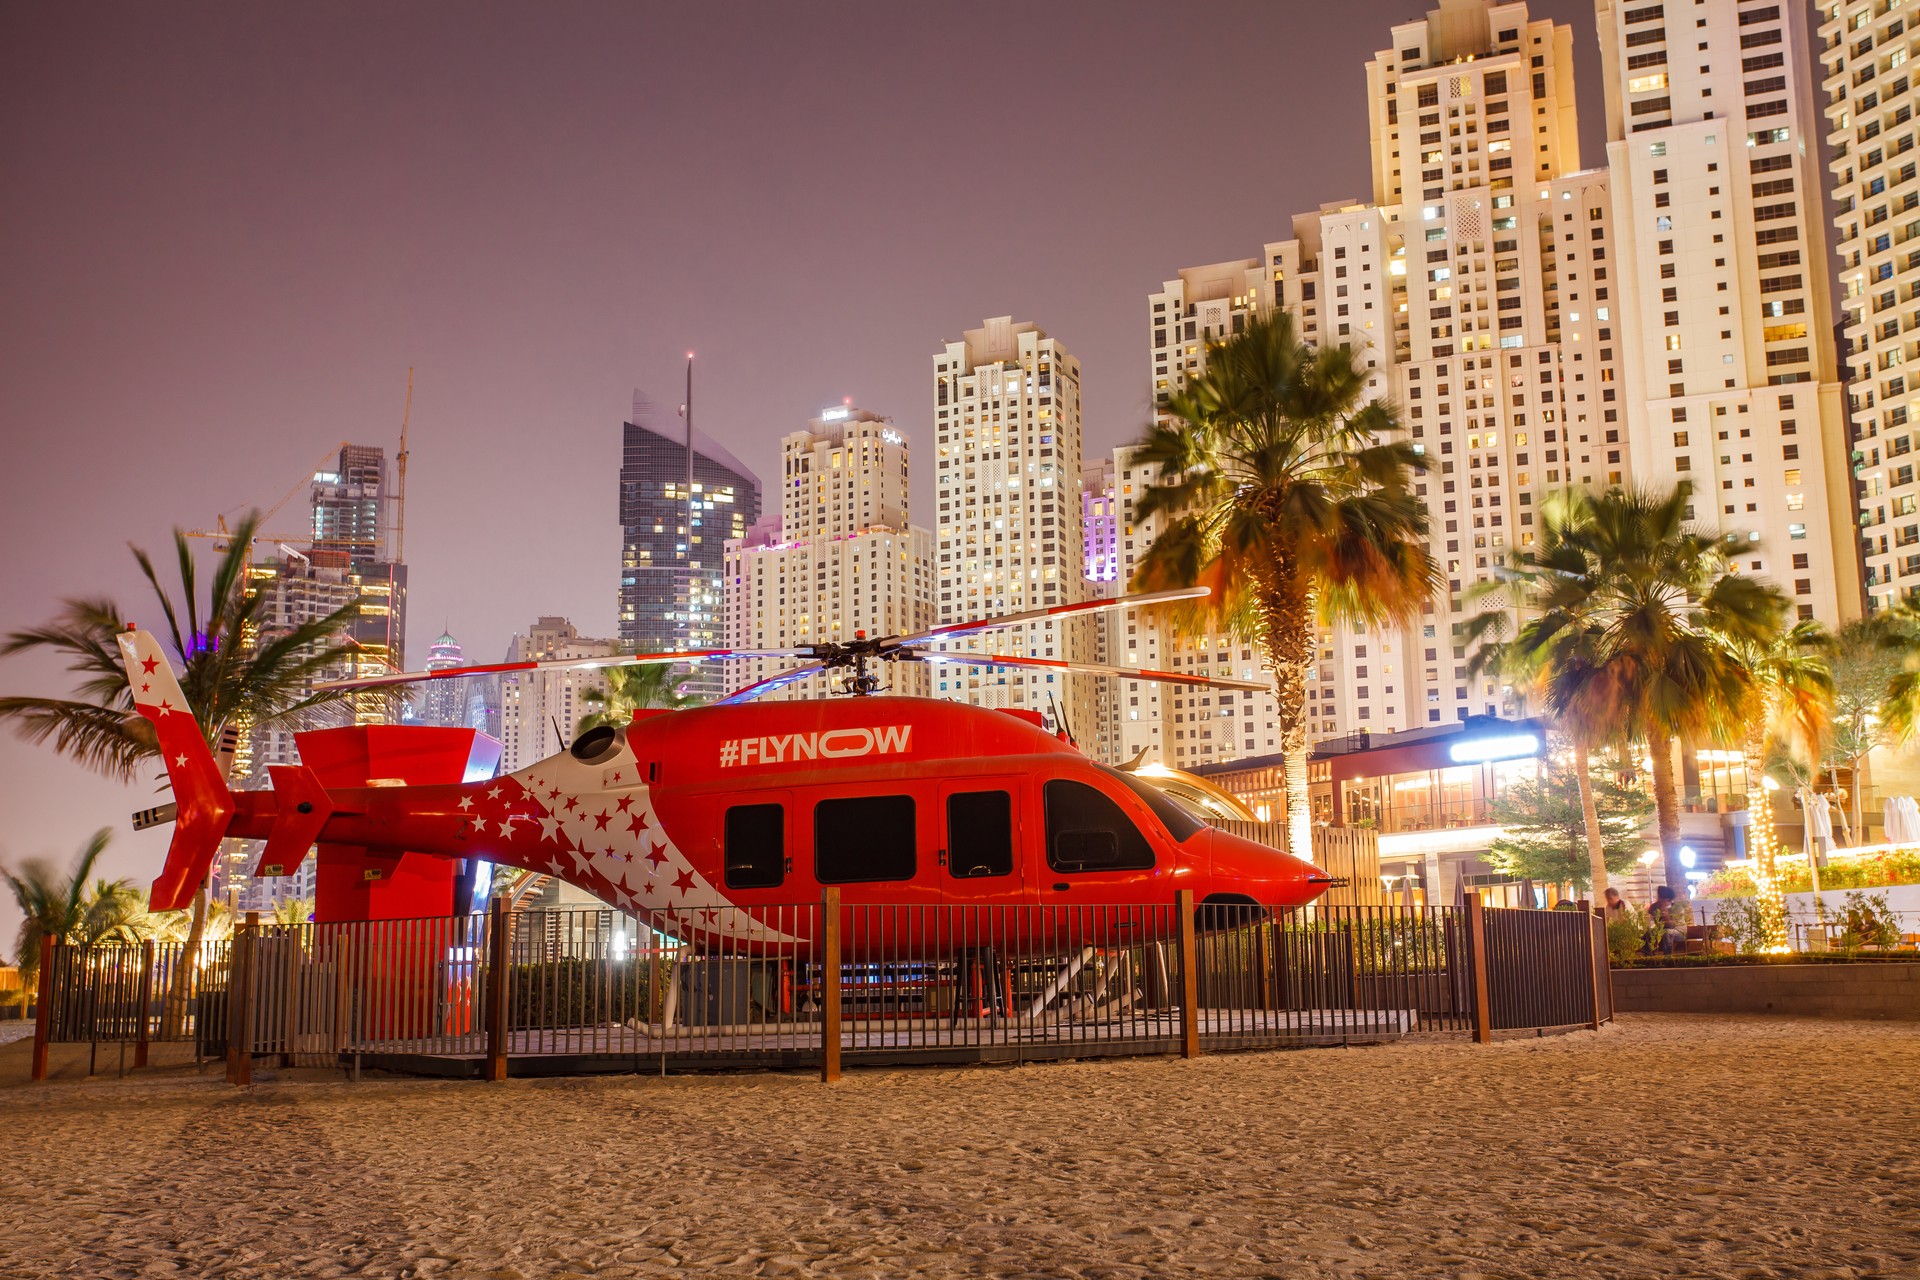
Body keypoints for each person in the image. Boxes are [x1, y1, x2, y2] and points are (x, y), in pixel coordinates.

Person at [1646, 885, 1688, 955]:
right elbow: (1656, 922)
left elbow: (1671, 925)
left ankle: (1668, 956)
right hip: (1662, 931)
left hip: (1679, 932)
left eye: (1660, 898)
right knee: (1648, 933)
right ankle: (1648, 956)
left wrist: (1664, 912)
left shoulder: (1677, 908)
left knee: (1666, 932)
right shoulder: (1656, 907)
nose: (1658, 900)